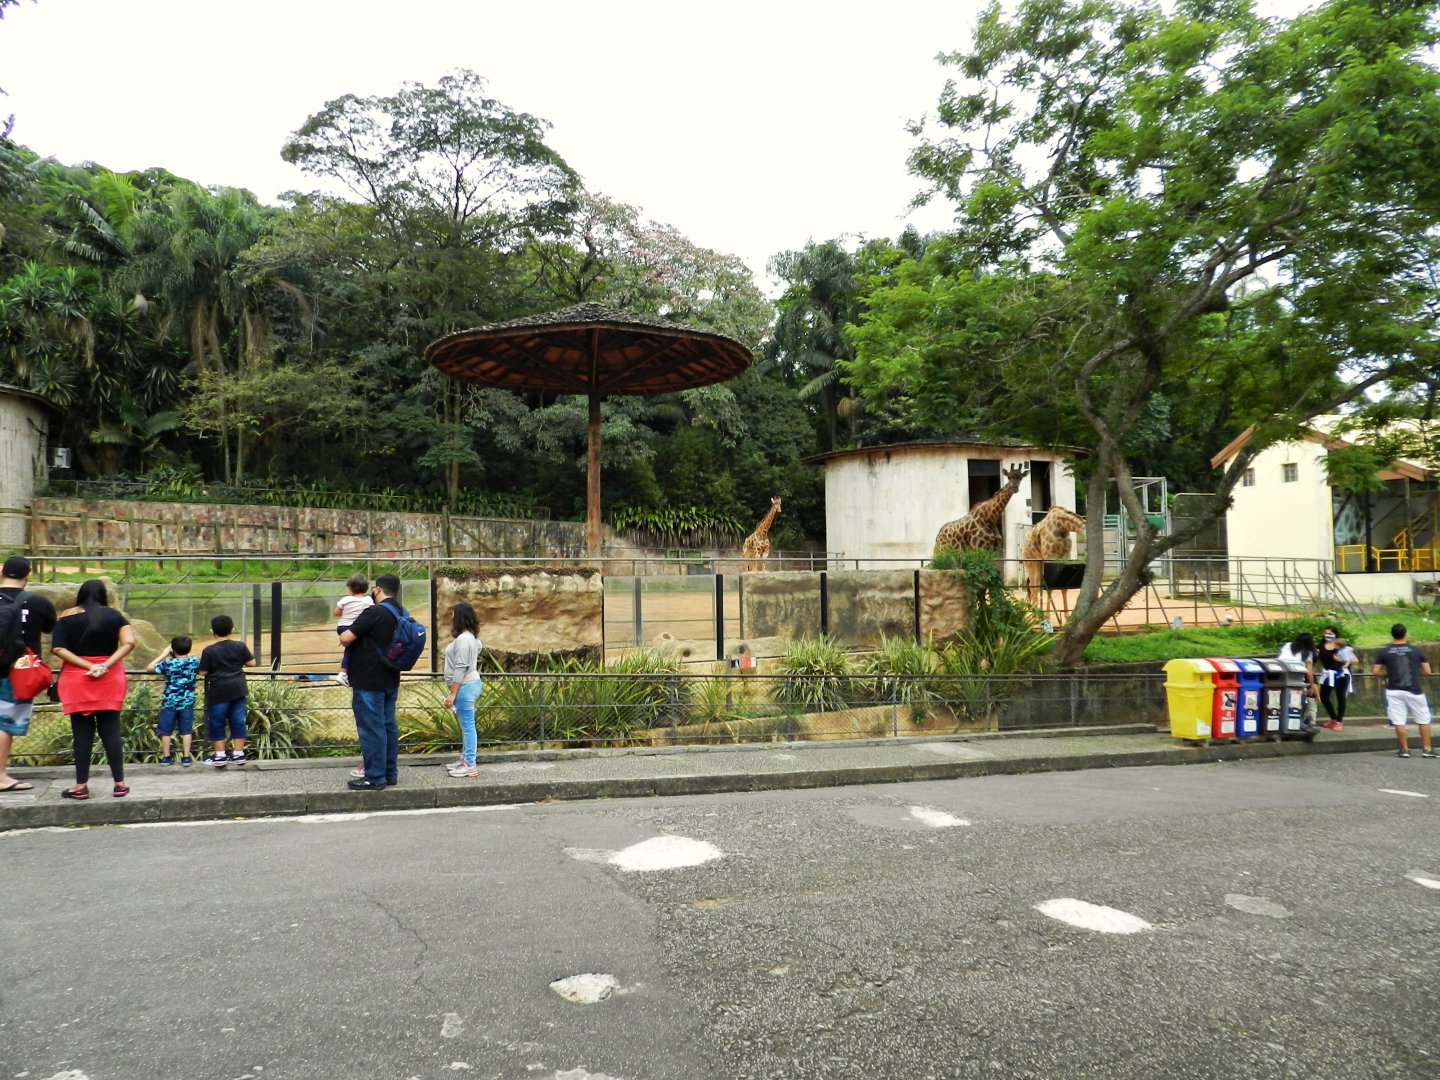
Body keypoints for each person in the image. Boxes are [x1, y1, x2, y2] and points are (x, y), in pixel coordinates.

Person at [51, 578, 135, 799]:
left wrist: (89, 665)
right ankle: (120, 784)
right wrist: (105, 665)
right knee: (111, 732)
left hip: (77, 678)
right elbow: (129, 642)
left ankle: (80, 786)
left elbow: (58, 648)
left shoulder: (67, 618)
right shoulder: (115, 616)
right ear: (104, 595)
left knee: (82, 735)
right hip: (110, 677)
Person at [339, 573, 402, 791]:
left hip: (368, 680)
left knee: (371, 728)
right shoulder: (401, 612)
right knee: (388, 726)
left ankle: (374, 777)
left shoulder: (374, 612)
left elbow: (346, 637)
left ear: (377, 590)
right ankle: (389, 773)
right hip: (391, 678)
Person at [0, 556, 56, 794]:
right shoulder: (38, 603)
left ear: (3, 571)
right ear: (29, 574)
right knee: (5, 723)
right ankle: (1, 777)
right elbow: (50, 627)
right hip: (17, 671)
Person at [197, 615, 255, 767]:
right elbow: (252, 663)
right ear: (232, 630)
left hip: (218, 691)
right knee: (237, 721)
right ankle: (238, 754)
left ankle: (220, 755)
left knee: (217, 722)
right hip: (238, 688)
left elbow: (202, 672)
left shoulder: (209, 650)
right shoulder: (240, 646)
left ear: (212, 631)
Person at [1372, 623, 1435, 759]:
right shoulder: (1416, 650)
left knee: (1399, 720)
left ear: (1392, 634)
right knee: (1423, 719)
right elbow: (1427, 671)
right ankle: (1427, 749)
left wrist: (1387, 677)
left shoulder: (1385, 651)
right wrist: (1416, 674)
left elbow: (1375, 671)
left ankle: (1404, 749)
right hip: (1414, 689)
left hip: (1394, 690)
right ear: (1405, 634)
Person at [444, 602, 483, 779]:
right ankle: (466, 759)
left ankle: (470, 765)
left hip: (465, 687)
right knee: (466, 725)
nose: (451, 618)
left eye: (453, 615)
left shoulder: (463, 639)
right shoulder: (472, 638)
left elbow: (461, 667)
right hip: (469, 685)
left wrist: (452, 693)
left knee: (467, 726)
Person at [148, 635, 199, 766]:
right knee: (186, 730)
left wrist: (164, 654)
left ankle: (166, 757)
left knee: (166, 730)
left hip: (169, 702)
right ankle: (186, 757)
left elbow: (149, 668)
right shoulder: (194, 661)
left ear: (173, 649)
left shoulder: (168, 663)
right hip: (187, 702)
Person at [332, 573, 372, 687]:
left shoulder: (345, 600)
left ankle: (344, 673)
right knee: (352, 650)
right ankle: (344, 673)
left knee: (350, 650)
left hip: (342, 627)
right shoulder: (368, 600)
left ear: (350, 588)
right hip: (355, 629)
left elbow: (336, 613)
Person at [1317, 625, 1358, 732]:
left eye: (1330, 633)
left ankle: (1339, 721)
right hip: (1328, 674)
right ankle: (1333, 718)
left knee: (1340, 697)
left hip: (1341, 674)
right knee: (1324, 696)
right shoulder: (1321, 646)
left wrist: (1341, 660)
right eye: (1326, 633)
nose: (1327, 635)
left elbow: (1355, 660)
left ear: (1335, 634)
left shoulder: (1342, 646)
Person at [1278, 632, 1320, 732]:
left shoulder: (1287, 645)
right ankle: (1296, 725)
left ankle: (1283, 725)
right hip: (1296, 680)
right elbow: (1309, 673)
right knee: (1297, 703)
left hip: (1279, 676)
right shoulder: (1307, 653)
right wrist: (1312, 686)